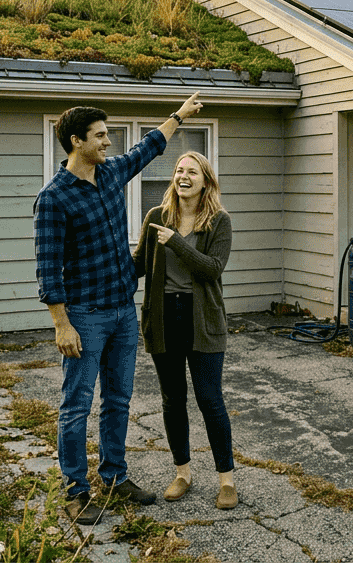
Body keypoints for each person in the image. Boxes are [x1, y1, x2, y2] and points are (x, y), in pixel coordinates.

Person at [34, 93, 203, 525]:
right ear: (77, 142)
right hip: (84, 315)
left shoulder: (110, 174)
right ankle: (75, 491)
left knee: (118, 400)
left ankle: (114, 477)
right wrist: (62, 325)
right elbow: (48, 269)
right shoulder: (54, 198)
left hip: (123, 312)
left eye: (107, 135)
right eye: (100, 136)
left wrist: (179, 115)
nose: (108, 142)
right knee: (76, 405)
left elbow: (148, 148)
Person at [133, 150, 238, 509]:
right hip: (164, 318)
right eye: (179, 170)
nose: (184, 176)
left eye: (192, 172)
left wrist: (175, 241)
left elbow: (213, 268)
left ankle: (227, 481)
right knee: (173, 400)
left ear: (205, 181)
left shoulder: (218, 221)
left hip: (203, 318)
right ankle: (182, 474)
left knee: (210, 399)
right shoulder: (156, 217)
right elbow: (138, 265)